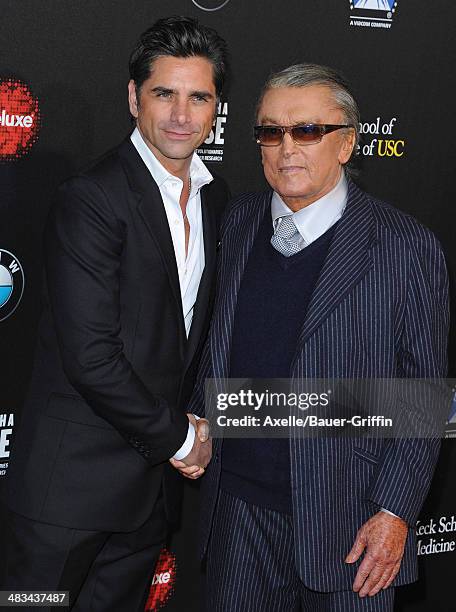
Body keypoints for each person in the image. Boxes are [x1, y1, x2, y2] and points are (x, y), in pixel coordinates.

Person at [181, 63, 449, 611]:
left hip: (351, 528)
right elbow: (215, 341)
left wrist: (395, 512)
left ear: (347, 143)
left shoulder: (405, 248)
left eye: (307, 131)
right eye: (270, 131)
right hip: (238, 517)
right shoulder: (238, 220)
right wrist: (197, 419)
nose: (286, 148)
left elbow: (424, 397)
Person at [2, 16, 229, 611]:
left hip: (145, 502)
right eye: (164, 93)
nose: (181, 114)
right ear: (134, 98)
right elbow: (91, 356)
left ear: (215, 109)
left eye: (198, 96)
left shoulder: (217, 198)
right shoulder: (92, 198)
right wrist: (182, 439)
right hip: (66, 500)